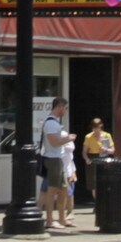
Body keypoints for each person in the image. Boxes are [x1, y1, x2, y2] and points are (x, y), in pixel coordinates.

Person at [39, 99, 73, 231]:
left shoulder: (53, 122)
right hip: (53, 159)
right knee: (52, 190)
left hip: (57, 159)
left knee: (64, 189)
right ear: (59, 107)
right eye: (65, 108)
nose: (65, 111)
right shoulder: (52, 123)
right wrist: (68, 139)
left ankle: (62, 219)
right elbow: (54, 142)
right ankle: (49, 220)